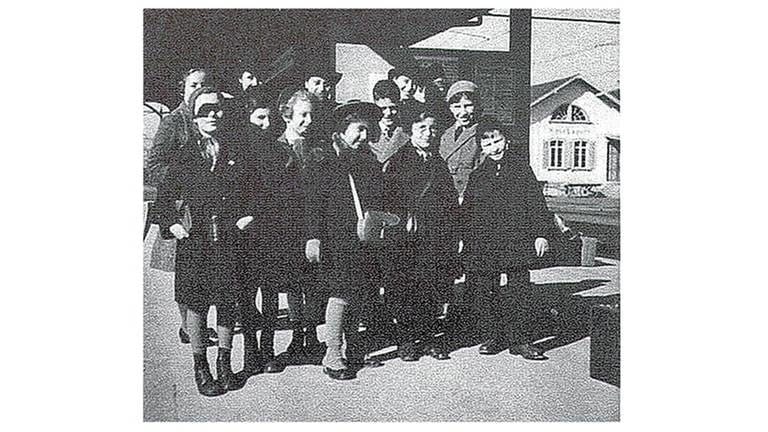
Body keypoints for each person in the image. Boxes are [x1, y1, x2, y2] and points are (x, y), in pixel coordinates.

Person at [155, 86, 248, 396]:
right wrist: (172, 226)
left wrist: (247, 215)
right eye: (205, 110)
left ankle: (225, 362)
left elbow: (248, 191)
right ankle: (201, 365)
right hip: (195, 240)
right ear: (194, 116)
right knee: (196, 304)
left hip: (227, 237)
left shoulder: (233, 150)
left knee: (225, 300)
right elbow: (164, 200)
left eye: (217, 110)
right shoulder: (183, 154)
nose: (212, 115)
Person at [461, 117, 559, 361]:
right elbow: (468, 212)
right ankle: (493, 336)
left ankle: (520, 340)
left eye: (498, 140)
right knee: (486, 291)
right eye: (487, 143)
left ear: (506, 140)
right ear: (480, 147)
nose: (494, 147)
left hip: (516, 239)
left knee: (519, 291)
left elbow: (536, 203)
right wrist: (464, 239)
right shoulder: (477, 176)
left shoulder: (521, 169)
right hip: (484, 243)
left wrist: (541, 234)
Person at [305, 101, 385, 380]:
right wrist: (313, 237)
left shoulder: (368, 159)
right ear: (342, 128)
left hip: (363, 238)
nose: (364, 136)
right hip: (335, 238)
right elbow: (314, 202)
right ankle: (332, 353)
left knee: (359, 293)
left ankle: (354, 350)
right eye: (359, 129)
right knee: (339, 294)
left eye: (367, 130)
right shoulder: (324, 157)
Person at [146, 67, 217, 347]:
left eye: (203, 85)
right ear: (183, 88)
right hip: (178, 205)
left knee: (203, 270)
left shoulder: (213, 118)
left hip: (205, 204)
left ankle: (197, 324)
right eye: (192, 85)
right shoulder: (174, 121)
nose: (197, 89)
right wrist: (182, 176)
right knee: (183, 272)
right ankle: (187, 326)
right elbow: (154, 165)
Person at [260, 89, 328, 371]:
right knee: (290, 284)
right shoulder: (274, 148)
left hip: (313, 226)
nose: (308, 120)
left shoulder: (319, 150)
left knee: (312, 284)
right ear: (287, 115)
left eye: (312, 115)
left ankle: (310, 336)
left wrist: (318, 232)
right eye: (302, 115)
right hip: (284, 229)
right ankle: (293, 337)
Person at [384, 111, 459, 361]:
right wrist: (404, 216)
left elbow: (449, 200)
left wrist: (453, 232)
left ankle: (428, 338)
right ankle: (406, 340)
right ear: (411, 131)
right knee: (405, 288)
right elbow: (388, 197)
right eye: (422, 128)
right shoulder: (398, 161)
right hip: (405, 237)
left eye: (432, 128)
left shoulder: (438, 162)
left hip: (434, 236)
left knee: (432, 286)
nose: (428, 133)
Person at [439, 80, 484, 200]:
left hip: (470, 199)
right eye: (457, 107)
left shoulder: (483, 133)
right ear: (450, 108)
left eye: (468, 105)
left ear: (477, 105)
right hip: (444, 198)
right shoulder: (444, 134)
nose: (463, 112)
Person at [369, 79, 409, 167]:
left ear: (399, 105)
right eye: (383, 109)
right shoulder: (366, 133)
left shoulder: (407, 133)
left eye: (392, 108)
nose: (388, 114)